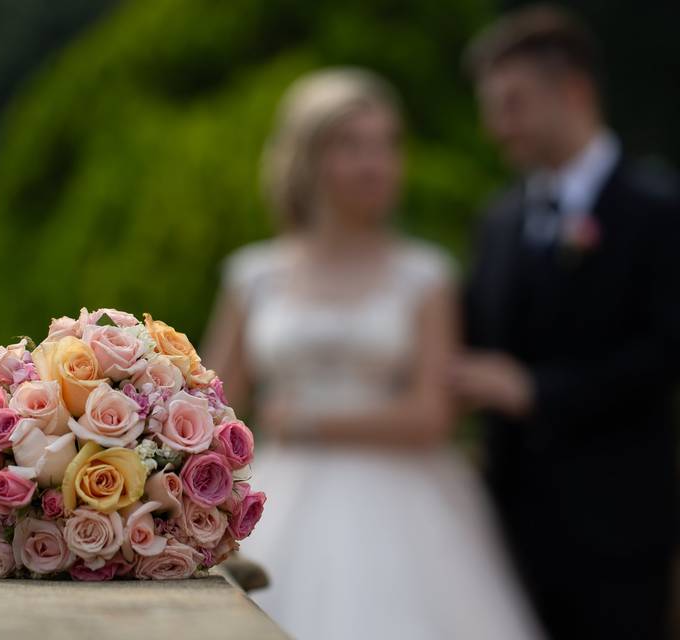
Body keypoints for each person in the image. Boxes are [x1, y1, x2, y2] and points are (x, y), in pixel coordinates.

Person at [203, 67, 542, 640]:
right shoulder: (252, 274)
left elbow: (432, 414)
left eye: (388, 144)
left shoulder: (427, 275)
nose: (375, 163)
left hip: (408, 502)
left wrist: (309, 421)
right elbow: (212, 405)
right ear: (307, 158)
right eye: (352, 145)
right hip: (279, 493)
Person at [454, 6, 680, 639]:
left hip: (619, 524)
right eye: (491, 107)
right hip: (502, 526)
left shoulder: (657, 209)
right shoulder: (498, 221)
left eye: (513, 103)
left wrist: (537, 391)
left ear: (574, 91)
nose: (496, 127)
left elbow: (665, 351)